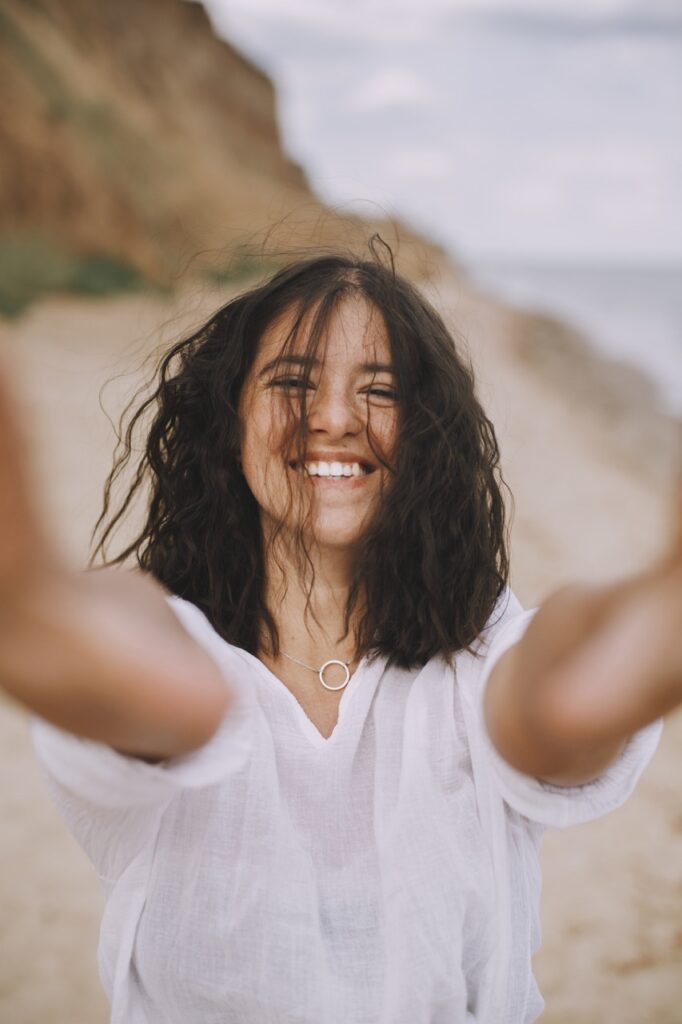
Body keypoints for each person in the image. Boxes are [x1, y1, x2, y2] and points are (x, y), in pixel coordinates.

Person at [1, 247, 680, 1024]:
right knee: (179, 690)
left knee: (548, 692)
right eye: (292, 383)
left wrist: (615, 666)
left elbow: (535, 687)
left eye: (380, 391)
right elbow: (142, 658)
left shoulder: (475, 661)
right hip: (167, 671)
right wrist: (33, 609)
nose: (332, 418)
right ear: (231, 421)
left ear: (423, 437)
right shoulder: (175, 640)